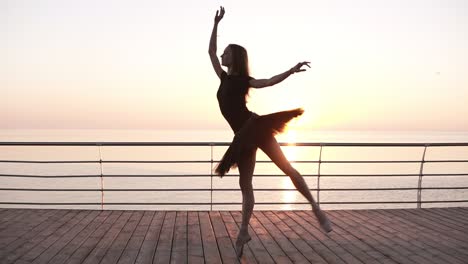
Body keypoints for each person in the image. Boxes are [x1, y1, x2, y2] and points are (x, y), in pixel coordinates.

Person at [208, 6, 332, 258]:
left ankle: (316, 208)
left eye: (226, 52)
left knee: (287, 168)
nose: (222, 54)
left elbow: (269, 81)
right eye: (223, 52)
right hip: (242, 137)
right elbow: (210, 51)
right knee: (245, 184)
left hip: (257, 128)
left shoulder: (244, 80)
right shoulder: (223, 78)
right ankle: (243, 231)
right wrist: (216, 24)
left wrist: (291, 70)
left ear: (235, 57)